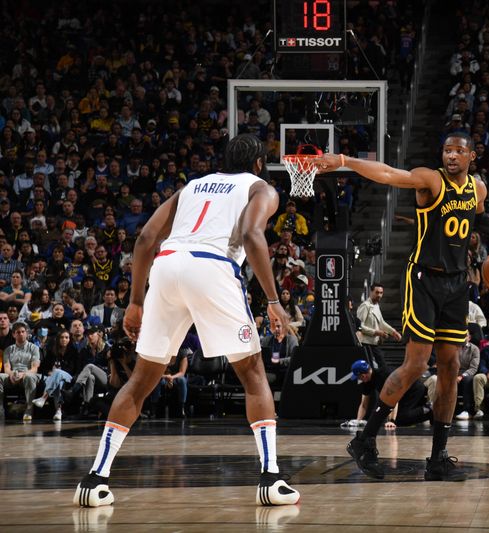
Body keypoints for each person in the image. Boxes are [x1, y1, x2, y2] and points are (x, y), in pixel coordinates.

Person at [74, 134, 299, 507]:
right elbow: (252, 234)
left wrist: (135, 302)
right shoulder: (261, 188)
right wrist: (273, 302)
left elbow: (146, 237)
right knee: (253, 372)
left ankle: (95, 478)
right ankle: (271, 478)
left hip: (166, 266)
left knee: (142, 379)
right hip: (212, 266)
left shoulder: (192, 186)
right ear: (259, 163)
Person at [314, 132, 489, 481]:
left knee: (451, 365)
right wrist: (344, 162)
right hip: (424, 280)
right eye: (447, 149)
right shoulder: (430, 180)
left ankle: (438, 456)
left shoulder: (478, 188)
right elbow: (387, 174)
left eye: (459, 150)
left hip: (458, 284)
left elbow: (478, 220)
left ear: (472, 156)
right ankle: (365, 440)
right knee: (415, 364)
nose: (451, 155)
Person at [351, 359, 430, 428]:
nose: (359, 380)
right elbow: (364, 405)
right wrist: (358, 421)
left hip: (413, 389)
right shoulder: (367, 382)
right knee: (399, 417)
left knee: (400, 418)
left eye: (358, 377)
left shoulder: (383, 376)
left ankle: (430, 410)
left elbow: (394, 399)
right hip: (402, 393)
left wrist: (391, 421)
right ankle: (428, 411)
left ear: (363, 376)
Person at [0, 322, 41, 421]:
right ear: (14, 334)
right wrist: (11, 375)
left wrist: (23, 374)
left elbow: (34, 368)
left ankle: (29, 409)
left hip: (27, 374)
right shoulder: (8, 350)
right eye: (18, 332)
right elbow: (6, 368)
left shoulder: (34, 348)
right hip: (13, 375)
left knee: (29, 377)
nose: (21, 334)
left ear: (27, 333)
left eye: (23, 332)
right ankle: (0, 408)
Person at [357, 283, 401, 372]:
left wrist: (393, 332)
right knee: (371, 369)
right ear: (371, 292)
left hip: (374, 343)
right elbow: (359, 326)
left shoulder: (376, 306)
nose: (379, 295)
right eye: (377, 292)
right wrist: (377, 332)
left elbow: (381, 322)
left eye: (381, 293)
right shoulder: (365, 306)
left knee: (382, 367)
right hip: (366, 344)